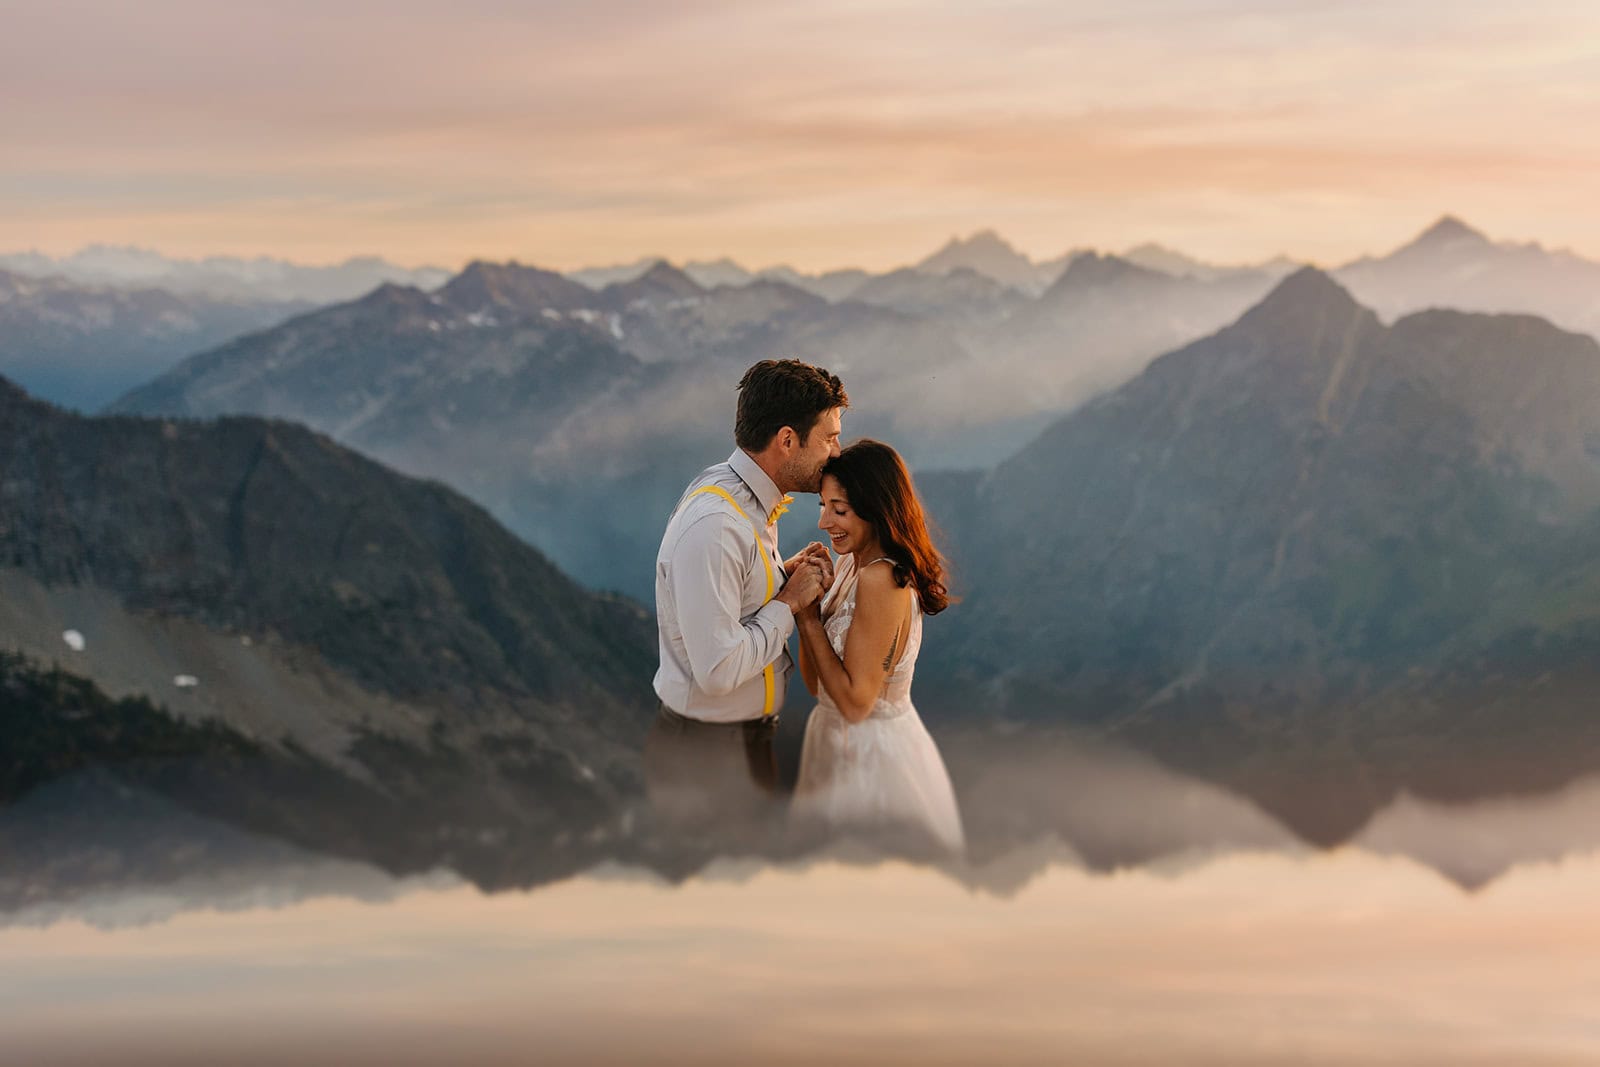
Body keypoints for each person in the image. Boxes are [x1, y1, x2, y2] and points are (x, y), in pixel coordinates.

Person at [645, 359, 847, 841]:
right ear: (786, 440)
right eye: (829, 437)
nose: (837, 452)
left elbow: (735, 595)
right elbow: (715, 672)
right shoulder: (718, 525)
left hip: (731, 746)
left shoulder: (744, 497)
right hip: (710, 756)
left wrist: (780, 576)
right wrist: (790, 603)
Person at [791, 439, 965, 856]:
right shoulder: (853, 563)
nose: (823, 523)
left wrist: (806, 617)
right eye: (822, 505)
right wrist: (807, 599)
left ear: (876, 508)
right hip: (834, 745)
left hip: (874, 763)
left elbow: (855, 706)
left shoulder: (882, 581)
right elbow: (818, 687)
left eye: (840, 510)